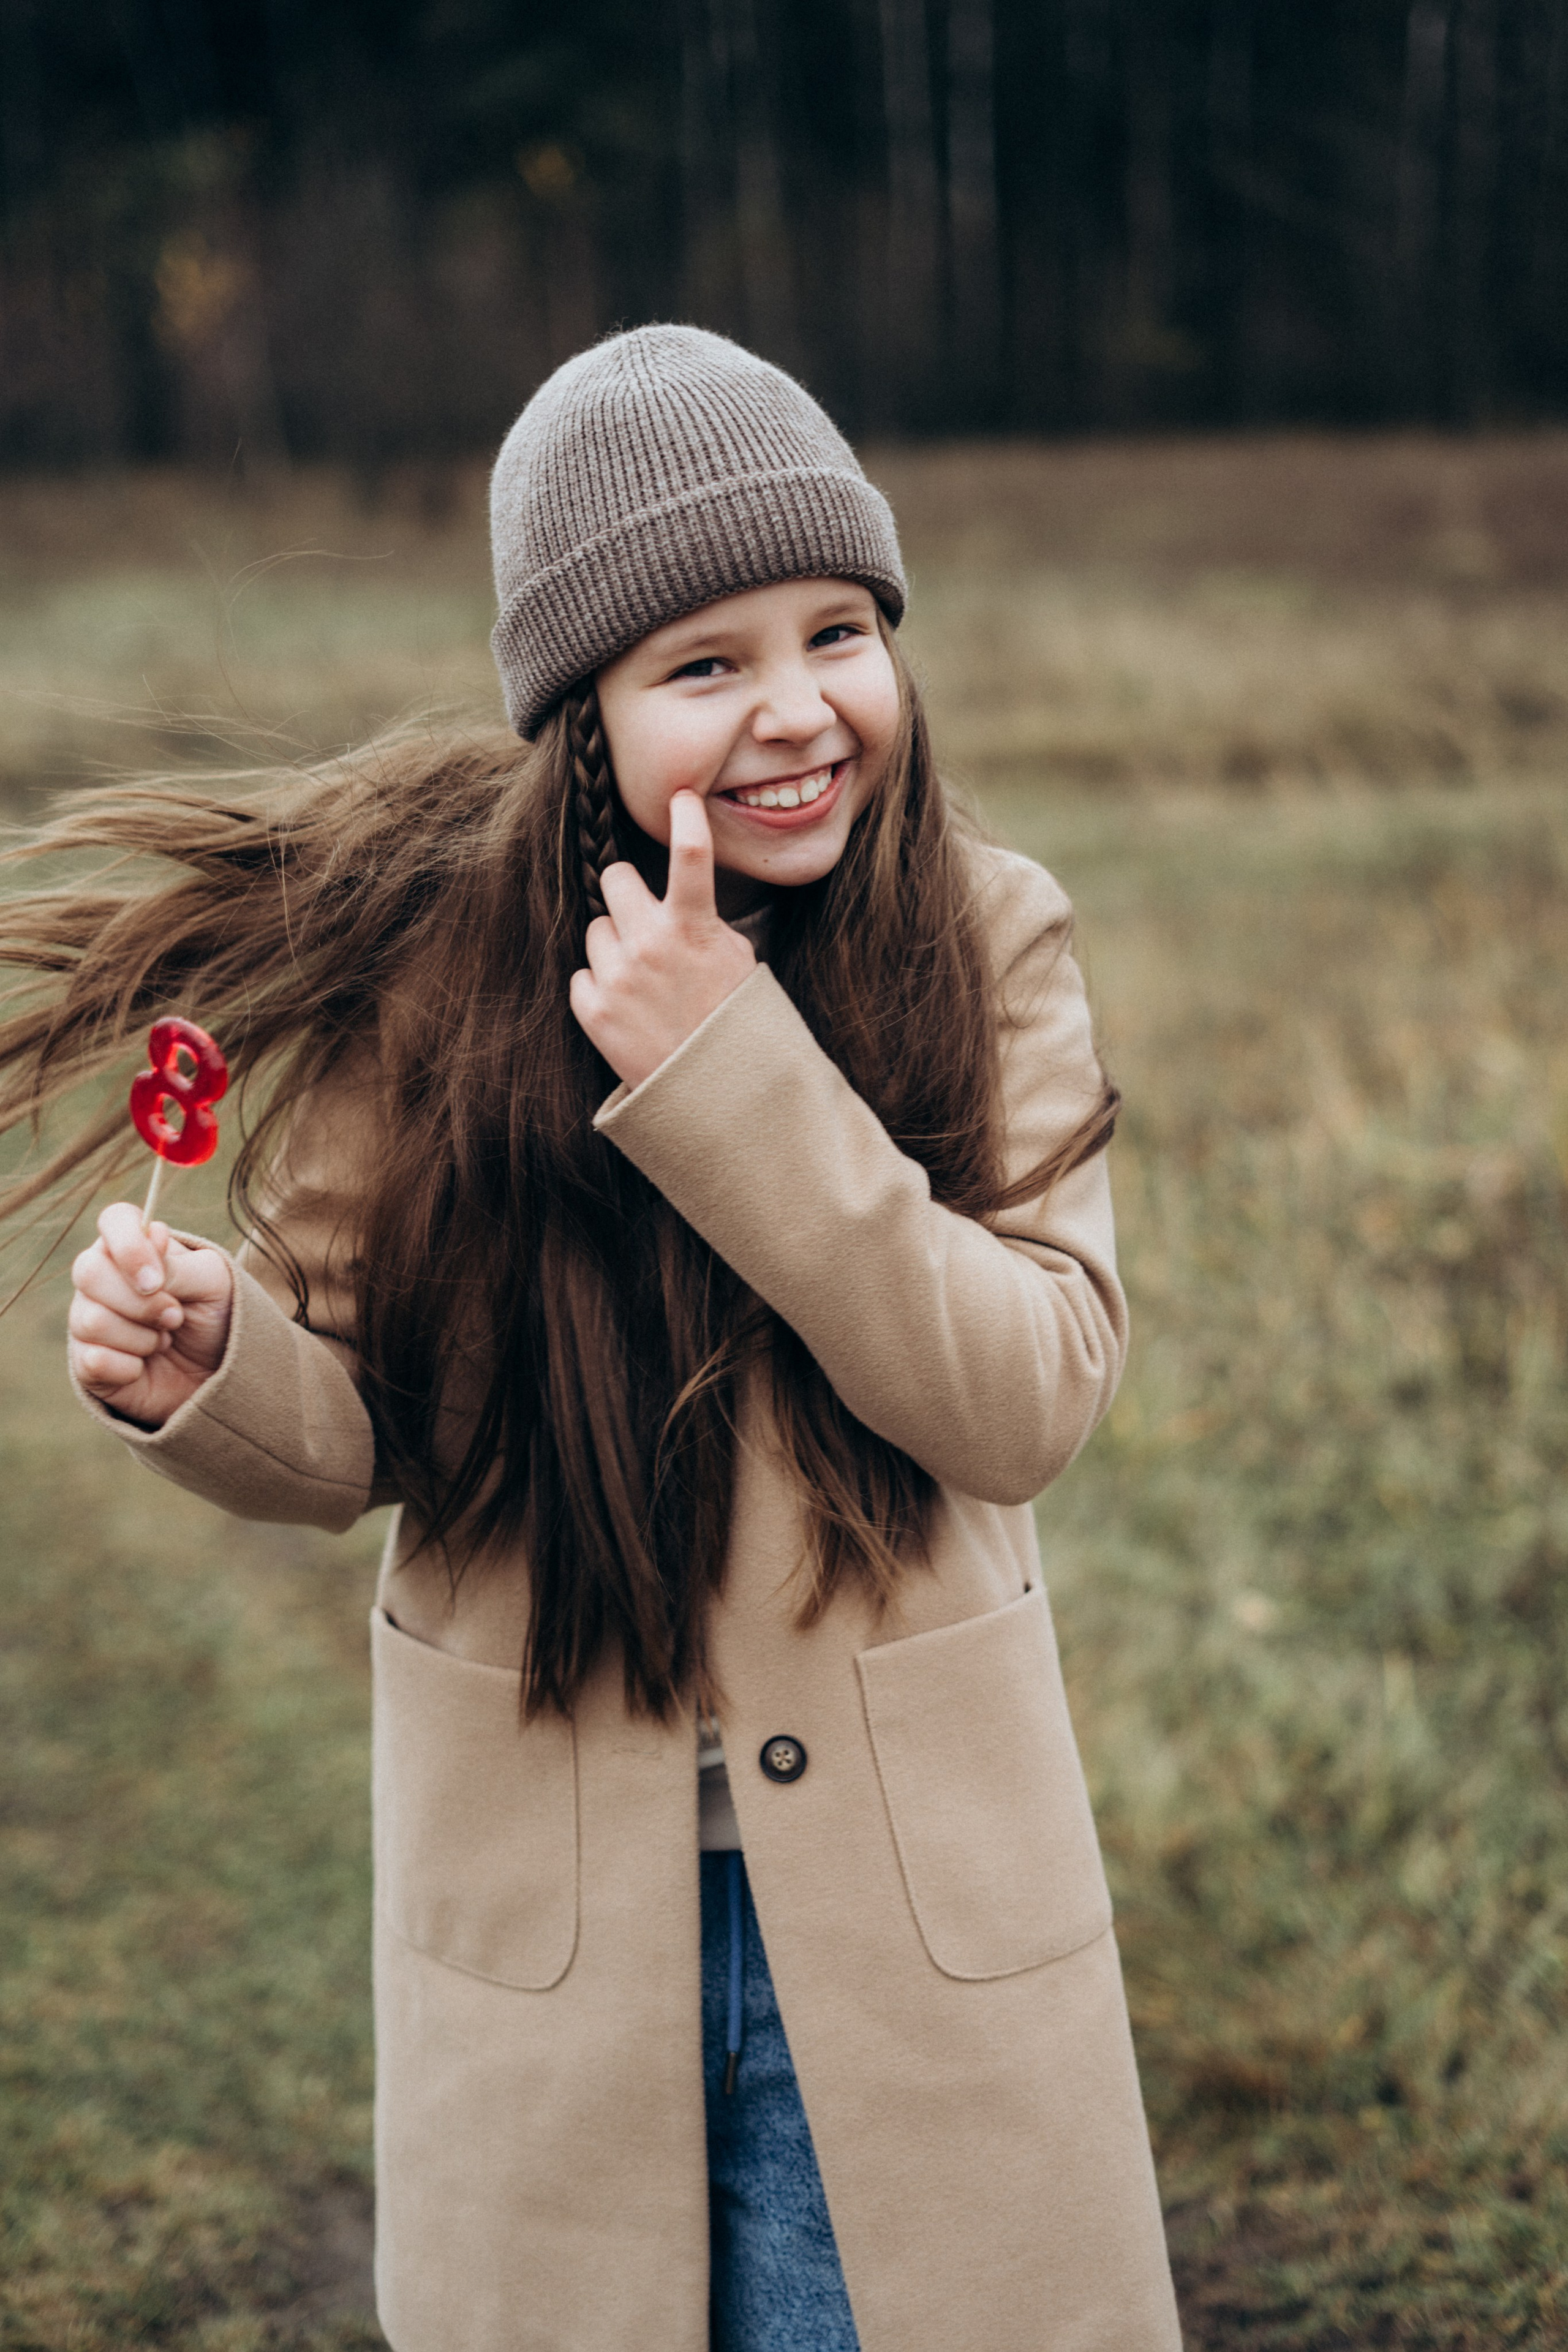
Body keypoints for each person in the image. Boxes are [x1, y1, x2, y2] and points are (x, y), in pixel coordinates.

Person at [17, 326, 1181, 2351]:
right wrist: (207, 1362)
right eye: (705, 665)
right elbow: (356, 1430)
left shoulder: (989, 936)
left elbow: (1024, 1395)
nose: (800, 711)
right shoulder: (436, 988)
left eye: (841, 630)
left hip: (908, 1930)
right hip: (562, 1927)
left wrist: (735, 1074)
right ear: (585, 719)